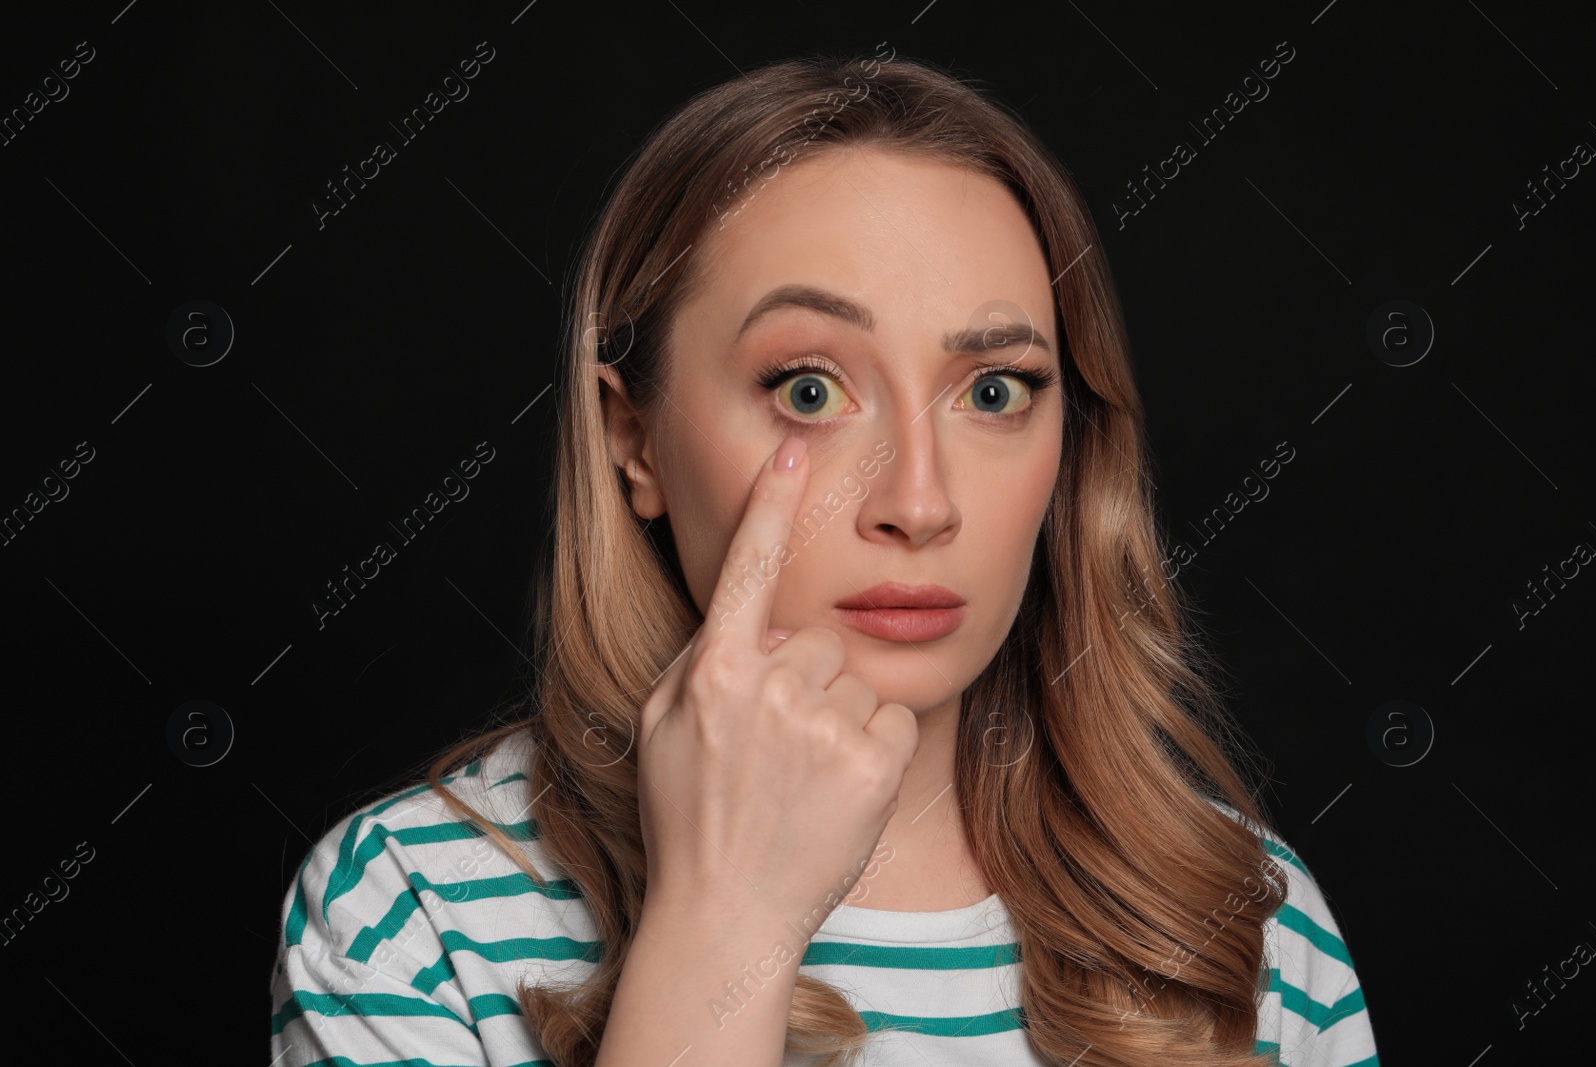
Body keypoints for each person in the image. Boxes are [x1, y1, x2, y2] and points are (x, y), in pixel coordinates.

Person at [268, 50, 1379, 1067]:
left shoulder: (1241, 920)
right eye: (809, 388)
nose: (917, 501)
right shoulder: (411, 914)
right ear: (633, 437)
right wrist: (722, 923)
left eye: (993, 391)